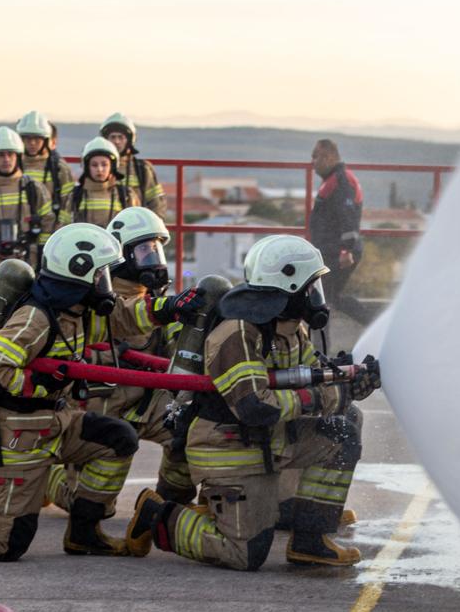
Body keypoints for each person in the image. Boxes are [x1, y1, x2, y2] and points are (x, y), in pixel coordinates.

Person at [0, 223, 204, 561]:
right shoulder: (38, 318)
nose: (106, 281)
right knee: (2, 544)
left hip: (55, 421)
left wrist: (171, 307)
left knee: (117, 439)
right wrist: (35, 383)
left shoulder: (76, 310)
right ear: (78, 274)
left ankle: (84, 533)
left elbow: (123, 318)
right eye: (101, 274)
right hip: (15, 434)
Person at [127, 234, 379, 571]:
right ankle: (158, 515)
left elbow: (311, 379)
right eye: (311, 287)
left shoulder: (290, 328)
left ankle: (310, 540)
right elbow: (255, 407)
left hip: (265, 440)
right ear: (287, 287)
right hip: (228, 445)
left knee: (344, 427)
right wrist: (331, 395)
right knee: (245, 553)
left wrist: (349, 381)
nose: (315, 296)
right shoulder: (238, 333)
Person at [44, 207, 195, 510]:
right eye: (144, 250)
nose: (153, 259)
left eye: (156, 249)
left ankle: (168, 505)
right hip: (101, 402)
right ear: (123, 256)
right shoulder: (92, 297)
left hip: (147, 401)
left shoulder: (159, 301)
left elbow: (176, 354)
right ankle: (47, 479)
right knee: (88, 504)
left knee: (189, 430)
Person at [0, 126, 54, 268]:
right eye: (0, 155)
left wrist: (40, 255)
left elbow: (48, 223)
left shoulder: (35, 188)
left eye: (11, 154)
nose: (6, 159)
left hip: (28, 261)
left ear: (19, 157)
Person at [308, 139, 366, 321]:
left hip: (338, 253)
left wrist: (346, 250)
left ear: (328, 157)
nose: (313, 162)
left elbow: (347, 216)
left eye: (316, 157)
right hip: (330, 251)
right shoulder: (332, 180)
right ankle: (373, 324)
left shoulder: (341, 181)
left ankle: (373, 322)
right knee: (326, 298)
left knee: (323, 299)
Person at [16, 110, 72, 237]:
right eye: (27, 139)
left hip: (51, 230)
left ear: (46, 140)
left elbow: (68, 202)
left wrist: (60, 229)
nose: (32, 143)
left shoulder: (59, 168)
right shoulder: (14, 166)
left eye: (37, 139)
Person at [98, 113, 165, 217]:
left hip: (135, 226)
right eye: (113, 137)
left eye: (121, 137)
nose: (116, 141)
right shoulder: (97, 167)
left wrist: (153, 227)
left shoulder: (142, 169)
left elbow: (156, 203)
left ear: (129, 140)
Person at [64, 137, 138, 227]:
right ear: (87, 167)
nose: (99, 169)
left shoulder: (126, 195)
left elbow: (135, 226)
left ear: (112, 167)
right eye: (94, 165)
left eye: (104, 164)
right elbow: (64, 226)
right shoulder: (75, 195)